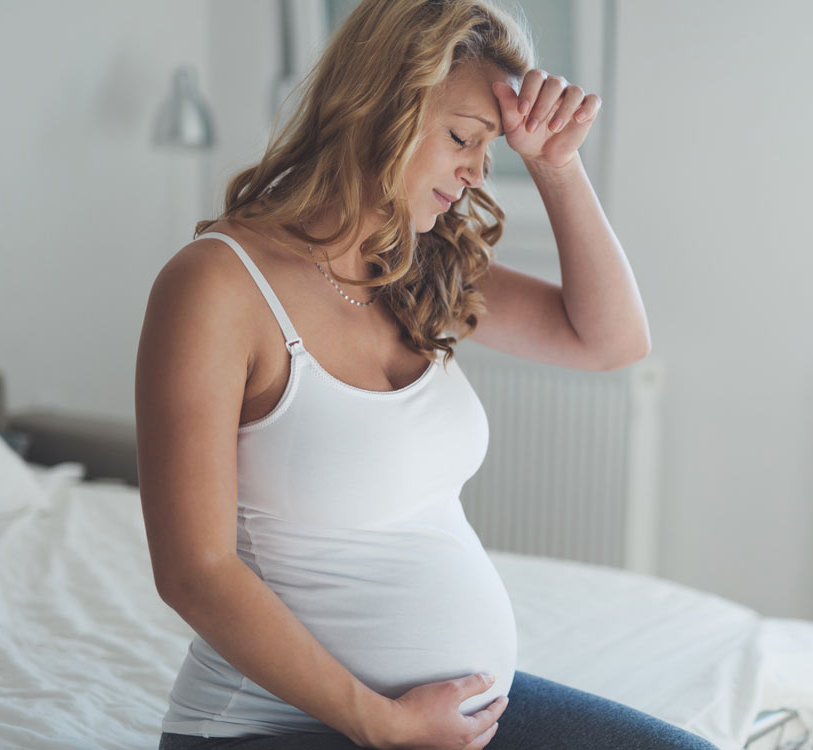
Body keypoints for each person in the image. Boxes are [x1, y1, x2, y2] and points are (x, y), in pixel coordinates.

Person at [136, 1, 715, 748]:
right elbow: (195, 572)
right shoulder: (216, 287)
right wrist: (385, 726)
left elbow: (610, 341)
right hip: (275, 729)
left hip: (450, 718)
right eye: (462, 138)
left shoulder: (413, 265)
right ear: (383, 107)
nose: (478, 171)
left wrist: (557, 166)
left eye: (489, 148)